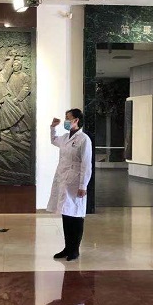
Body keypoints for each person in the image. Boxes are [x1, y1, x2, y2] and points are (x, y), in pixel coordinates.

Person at [47, 109, 92, 261]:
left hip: (76, 181)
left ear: (76, 120)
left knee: (76, 215)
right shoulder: (66, 137)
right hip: (64, 179)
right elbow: (54, 140)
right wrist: (52, 127)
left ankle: (75, 250)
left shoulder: (84, 139)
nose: (66, 121)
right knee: (66, 213)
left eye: (68, 118)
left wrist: (83, 186)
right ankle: (67, 248)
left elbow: (86, 164)